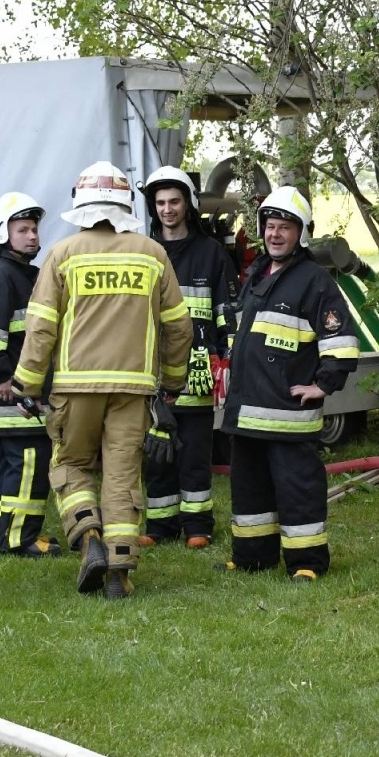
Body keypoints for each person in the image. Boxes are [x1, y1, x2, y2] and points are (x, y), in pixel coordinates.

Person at [13, 162, 192, 599]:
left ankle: (88, 536)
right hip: (133, 390)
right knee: (121, 475)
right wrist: (171, 382)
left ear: (81, 205)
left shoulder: (63, 253)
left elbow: (41, 328)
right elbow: (179, 327)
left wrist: (27, 384)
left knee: (70, 465)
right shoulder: (152, 253)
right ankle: (120, 569)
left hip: (75, 390)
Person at [221, 186, 358, 580]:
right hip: (246, 413)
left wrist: (323, 385)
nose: (275, 234)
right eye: (270, 226)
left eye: (284, 227)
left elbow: (342, 340)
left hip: (287, 417)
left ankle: (306, 563)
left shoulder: (315, 281)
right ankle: (252, 557)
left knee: (298, 491)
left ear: (301, 233)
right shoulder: (257, 274)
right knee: (249, 491)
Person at [139, 166, 238, 549]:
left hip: (197, 370)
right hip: (152, 369)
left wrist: (226, 357)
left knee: (194, 451)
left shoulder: (210, 253)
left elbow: (227, 311)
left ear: (188, 205)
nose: (167, 209)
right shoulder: (143, 251)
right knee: (156, 451)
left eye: (174, 202)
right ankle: (160, 526)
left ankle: (198, 526)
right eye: (160, 202)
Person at [0, 192, 60, 558]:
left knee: (8, 467)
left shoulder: (22, 274)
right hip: (13, 395)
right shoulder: (2, 276)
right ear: (2, 234)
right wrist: (4, 378)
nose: (33, 236)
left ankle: (8, 534)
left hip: (9, 394)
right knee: (28, 465)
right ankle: (22, 538)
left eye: (34, 229)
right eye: (22, 229)